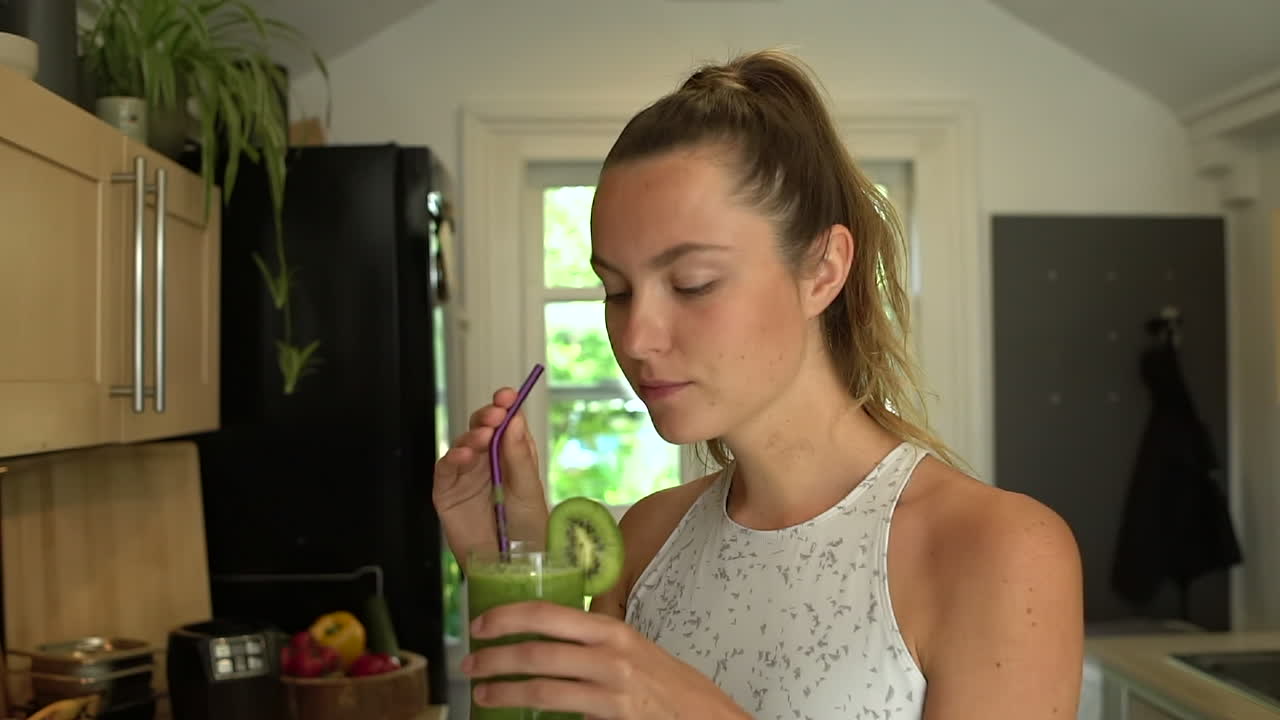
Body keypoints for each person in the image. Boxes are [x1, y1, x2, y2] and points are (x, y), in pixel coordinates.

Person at [433, 49, 1084, 720]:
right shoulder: (648, 541)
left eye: (693, 283)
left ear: (823, 270)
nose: (635, 338)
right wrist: (516, 573)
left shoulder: (997, 551)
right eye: (617, 290)